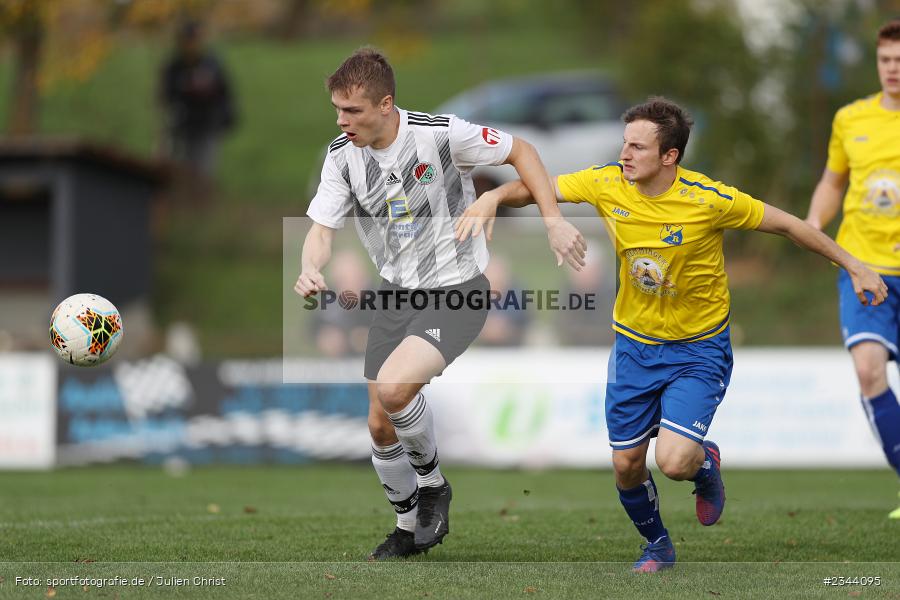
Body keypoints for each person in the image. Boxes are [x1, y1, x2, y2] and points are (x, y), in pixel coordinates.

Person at [456, 97, 887, 572]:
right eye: (625, 143)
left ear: (670, 156)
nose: (625, 154)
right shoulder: (606, 183)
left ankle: (704, 466)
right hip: (634, 347)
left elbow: (789, 226)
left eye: (638, 147)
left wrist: (854, 264)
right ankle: (658, 545)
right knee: (626, 466)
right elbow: (537, 186)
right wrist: (493, 196)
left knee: (676, 461)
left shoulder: (709, 200)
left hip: (698, 349)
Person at [293, 48, 585, 560]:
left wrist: (553, 219)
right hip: (394, 294)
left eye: (353, 110)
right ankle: (408, 528)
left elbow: (525, 152)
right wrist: (310, 266)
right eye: (338, 110)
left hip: (456, 290)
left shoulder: (440, 134)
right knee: (379, 423)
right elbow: (321, 229)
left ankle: (432, 485)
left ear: (386, 104)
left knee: (395, 388)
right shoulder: (342, 156)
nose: (343, 121)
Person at [806, 20, 900, 520]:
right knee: (868, 369)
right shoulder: (851, 119)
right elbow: (832, 181)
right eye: (886, 60)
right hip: (866, 269)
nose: (893, 69)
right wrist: (815, 223)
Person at [159, 20, 237, 179]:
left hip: (208, 122)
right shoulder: (175, 66)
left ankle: (200, 197)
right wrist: (185, 87)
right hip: (183, 123)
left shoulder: (212, 63)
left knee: (203, 167)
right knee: (181, 165)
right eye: (188, 41)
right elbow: (166, 94)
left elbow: (225, 92)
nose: (192, 45)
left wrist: (226, 116)